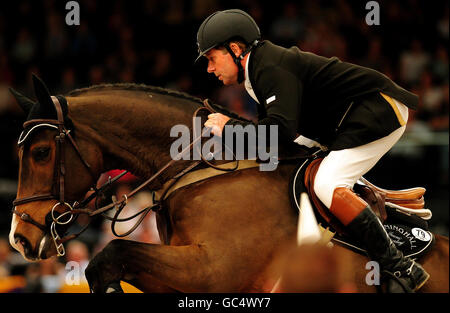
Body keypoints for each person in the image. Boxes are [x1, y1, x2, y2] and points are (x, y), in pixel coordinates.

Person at [195, 9, 429, 293]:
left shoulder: (269, 66)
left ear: (234, 48)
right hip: (345, 120)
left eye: (211, 58)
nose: (209, 68)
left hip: (377, 110)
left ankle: (400, 266)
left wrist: (229, 127)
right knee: (298, 167)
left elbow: (277, 133)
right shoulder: (255, 73)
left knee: (327, 183)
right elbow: (277, 142)